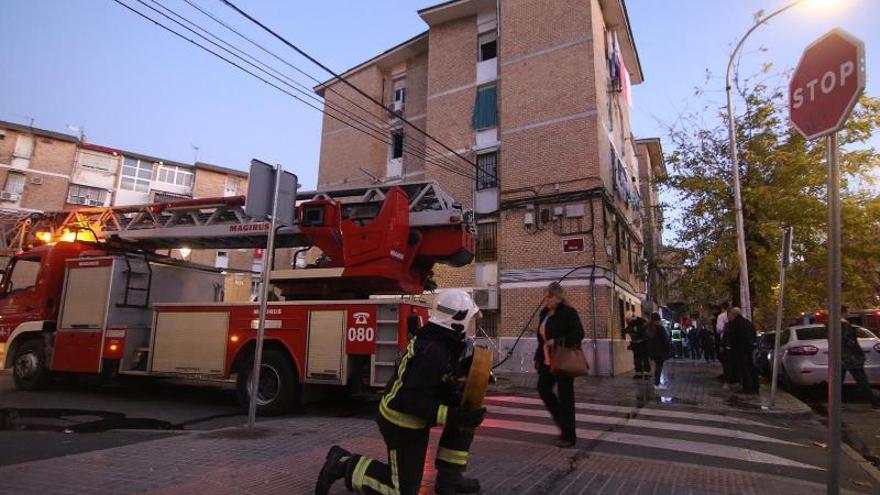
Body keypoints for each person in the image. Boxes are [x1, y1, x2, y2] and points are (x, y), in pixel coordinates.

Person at [315, 289, 486, 495]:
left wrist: (459, 381)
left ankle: (450, 479)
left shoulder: (437, 340)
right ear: (457, 320)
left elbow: (432, 383)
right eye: (469, 319)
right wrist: (454, 415)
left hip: (412, 417)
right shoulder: (434, 352)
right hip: (401, 422)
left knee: (463, 418)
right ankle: (343, 464)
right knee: (401, 491)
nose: (469, 326)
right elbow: (413, 401)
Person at [535, 282, 585, 448]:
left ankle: (569, 435)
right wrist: (537, 357)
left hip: (563, 359)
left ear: (558, 297)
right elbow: (540, 339)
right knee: (543, 388)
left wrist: (557, 341)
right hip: (547, 360)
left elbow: (578, 334)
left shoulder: (568, 313)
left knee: (566, 397)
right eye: (545, 296)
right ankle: (562, 423)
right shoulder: (544, 314)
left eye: (549, 296)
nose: (546, 300)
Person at [839, 306, 880, 409]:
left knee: (838, 381)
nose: (848, 313)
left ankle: (836, 403)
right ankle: (875, 404)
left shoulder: (830, 325)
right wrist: (858, 353)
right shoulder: (845, 325)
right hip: (852, 357)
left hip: (840, 357)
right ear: (843, 312)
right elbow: (850, 341)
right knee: (862, 380)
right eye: (847, 312)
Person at [727, 307, 758, 394]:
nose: (729, 317)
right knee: (751, 368)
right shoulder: (748, 323)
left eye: (729, 315)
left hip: (740, 350)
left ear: (733, 315)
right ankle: (755, 387)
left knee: (744, 369)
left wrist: (730, 347)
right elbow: (753, 335)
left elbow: (733, 338)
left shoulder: (735, 324)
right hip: (749, 349)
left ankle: (747, 388)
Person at [646, 312, 670, 390]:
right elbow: (665, 340)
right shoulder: (660, 328)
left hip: (653, 351)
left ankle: (657, 383)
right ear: (658, 319)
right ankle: (657, 383)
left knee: (657, 367)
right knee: (659, 367)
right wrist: (668, 349)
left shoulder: (649, 328)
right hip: (660, 351)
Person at [624, 312, 650, 379]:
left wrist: (634, 332)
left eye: (628, 320)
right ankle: (638, 373)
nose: (627, 322)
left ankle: (647, 373)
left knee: (645, 358)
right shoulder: (631, 324)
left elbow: (642, 332)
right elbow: (628, 330)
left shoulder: (642, 322)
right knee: (636, 359)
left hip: (643, 343)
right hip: (635, 344)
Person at [716, 303, 730, 380]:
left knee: (725, 358)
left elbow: (719, 329)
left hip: (725, 340)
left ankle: (727, 375)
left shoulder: (721, 316)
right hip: (734, 341)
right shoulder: (734, 315)